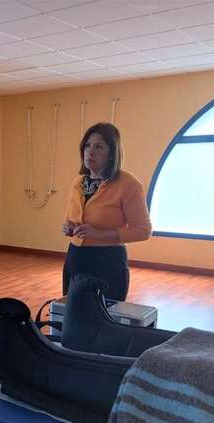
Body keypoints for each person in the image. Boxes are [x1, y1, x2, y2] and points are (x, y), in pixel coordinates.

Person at [62, 122, 151, 301]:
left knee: (106, 315)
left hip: (108, 261)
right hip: (76, 257)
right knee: (72, 312)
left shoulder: (128, 184)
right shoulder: (78, 182)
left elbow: (144, 231)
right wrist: (68, 227)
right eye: (87, 145)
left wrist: (100, 234)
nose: (90, 152)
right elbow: (70, 218)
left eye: (99, 147)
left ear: (112, 154)